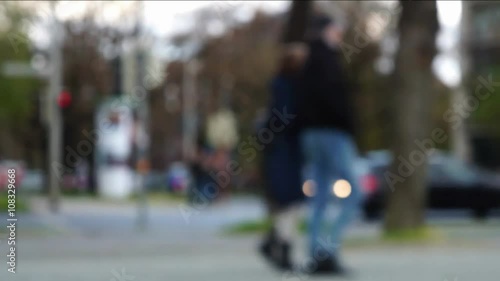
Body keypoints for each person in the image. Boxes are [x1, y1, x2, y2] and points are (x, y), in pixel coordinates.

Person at [298, 14, 363, 275]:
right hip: (332, 133)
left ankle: (316, 253)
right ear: (328, 30)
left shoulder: (308, 59)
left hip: (312, 133)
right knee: (355, 194)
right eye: (338, 30)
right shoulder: (327, 59)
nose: (341, 35)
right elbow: (333, 99)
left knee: (320, 198)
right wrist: (348, 125)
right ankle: (328, 250)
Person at [259, 43, 308, 270]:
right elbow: (284, 118)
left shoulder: (282, 86)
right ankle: (282, 248)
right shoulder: (290, 88)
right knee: (290, 202)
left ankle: (274, 242)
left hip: (283, 149)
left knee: (288, 202)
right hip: (285, 150)